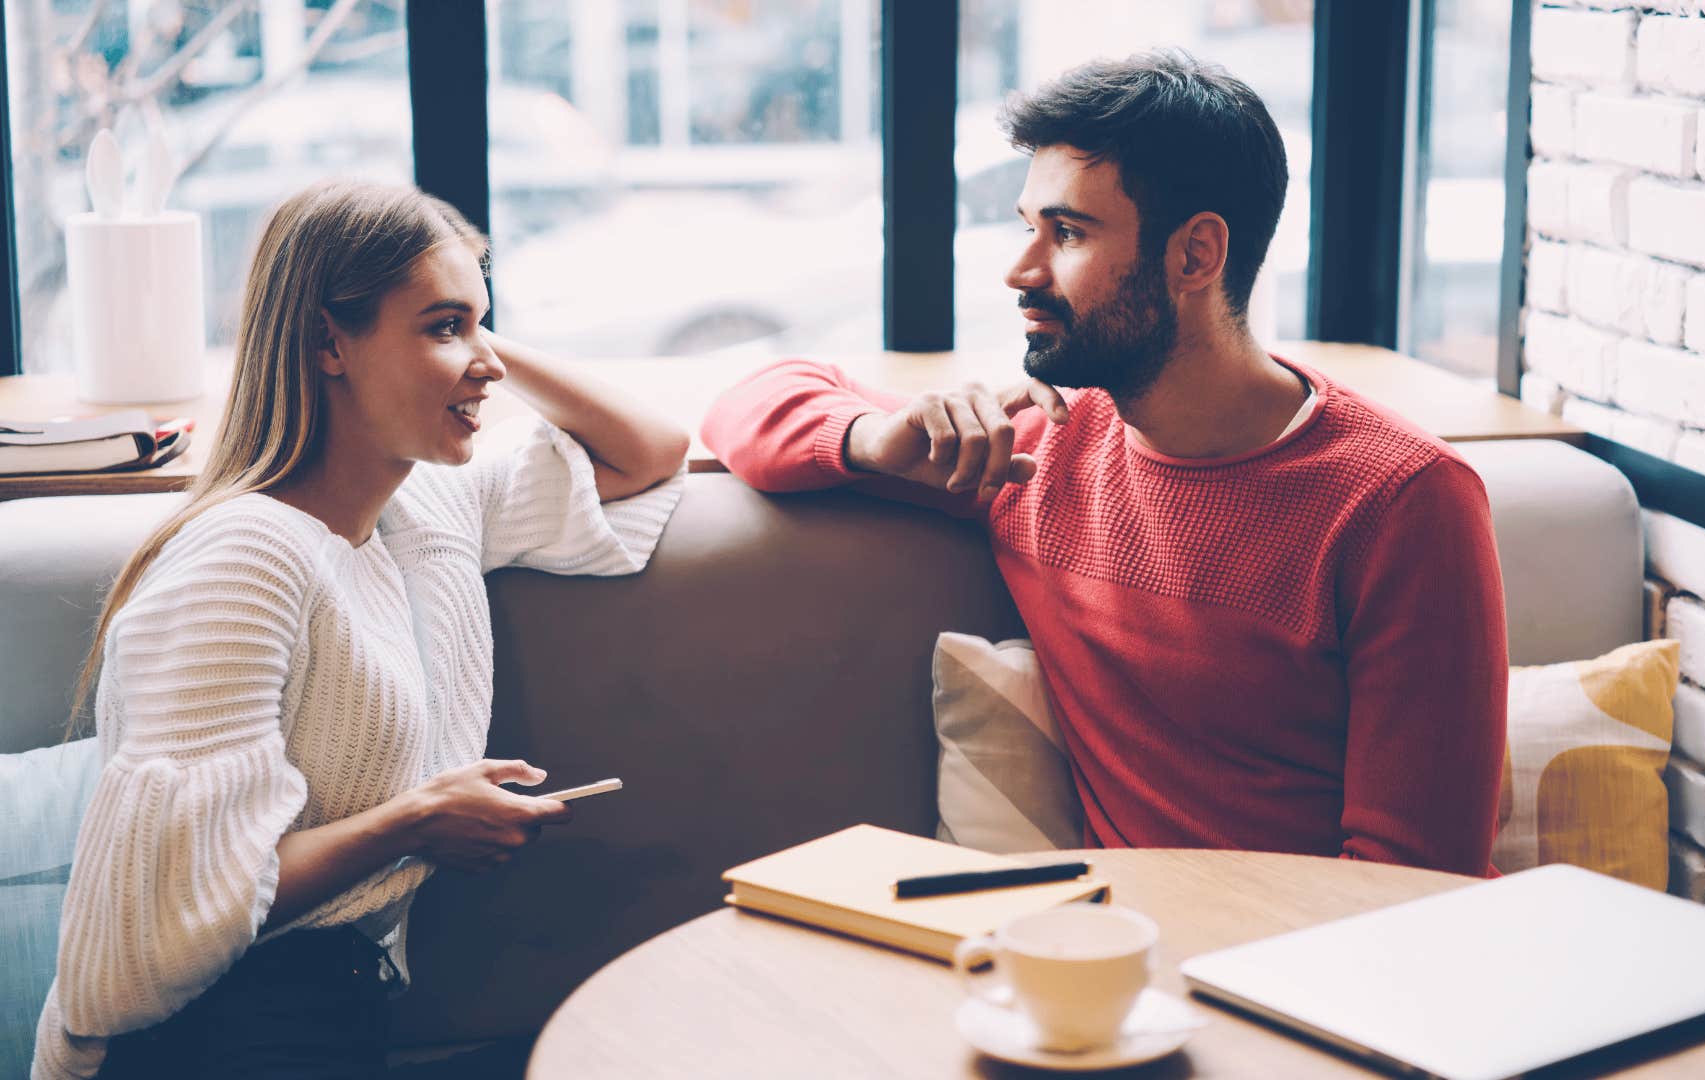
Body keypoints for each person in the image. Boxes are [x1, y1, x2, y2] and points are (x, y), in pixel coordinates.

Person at [702, 50, 1507, 875]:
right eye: (1028, 228)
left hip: (1323, 970)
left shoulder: (1403, 501)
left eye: (1068, 233)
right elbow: (748, 404)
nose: (1020, 271)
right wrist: (872, 442)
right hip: (1117, 958)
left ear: (1195, 256)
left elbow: (1411, 879)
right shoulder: (1035, 452)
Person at [33, 180, 689, 1079]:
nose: (487, 363)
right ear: (326, 341)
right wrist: (418, 820)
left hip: (337, 1007)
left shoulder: (426, 515)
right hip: (212, 1031)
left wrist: (470, 343)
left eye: (480, 323)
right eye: (442, 326)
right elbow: (170, 915)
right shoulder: (245, 558)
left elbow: (649, 449)